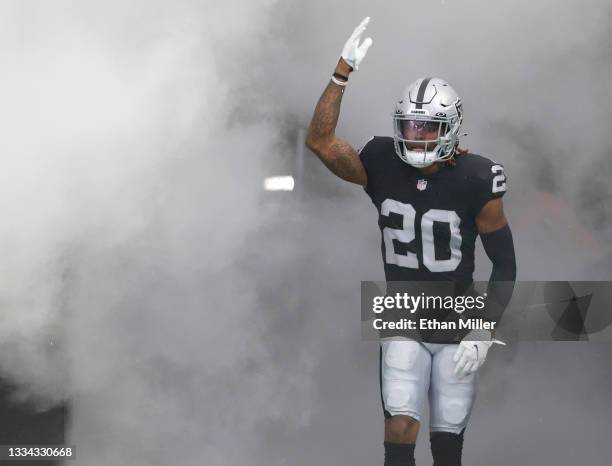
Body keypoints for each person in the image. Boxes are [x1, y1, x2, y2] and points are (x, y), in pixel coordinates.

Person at [305, 17, 517, 466]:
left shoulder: (478, 177)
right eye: (410, 126)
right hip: (403, 312)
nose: (416, 137)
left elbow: (505, 264)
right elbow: (320, 142)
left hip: (457, 318)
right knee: (400, 425)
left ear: (452, 128)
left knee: (447, 440)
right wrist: (340, 73)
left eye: (427, 129)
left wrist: (485, 327)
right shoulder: (382, 159)